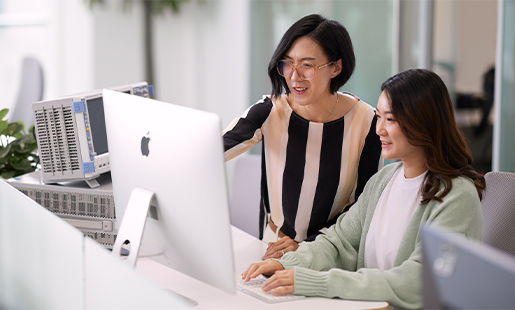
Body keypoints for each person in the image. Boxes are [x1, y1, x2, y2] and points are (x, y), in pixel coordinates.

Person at [241, 68, 486, 309]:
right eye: (379, 117)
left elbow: (417, 282)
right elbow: (339, 242)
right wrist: (289, 264)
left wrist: (317, 282)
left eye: (390, 119)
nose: (379, 129)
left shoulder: (456, 195)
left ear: (424, 123)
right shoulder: (385, 180)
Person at [223, 14, 382, 260]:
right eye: (287, 63)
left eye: (307, 65)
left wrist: (308, 246)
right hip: (272, 247)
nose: (294, 76)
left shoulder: (368, 122)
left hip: (329, 252)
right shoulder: (270, 110)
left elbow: (362, 208)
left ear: (336, 67)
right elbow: (216, 148)